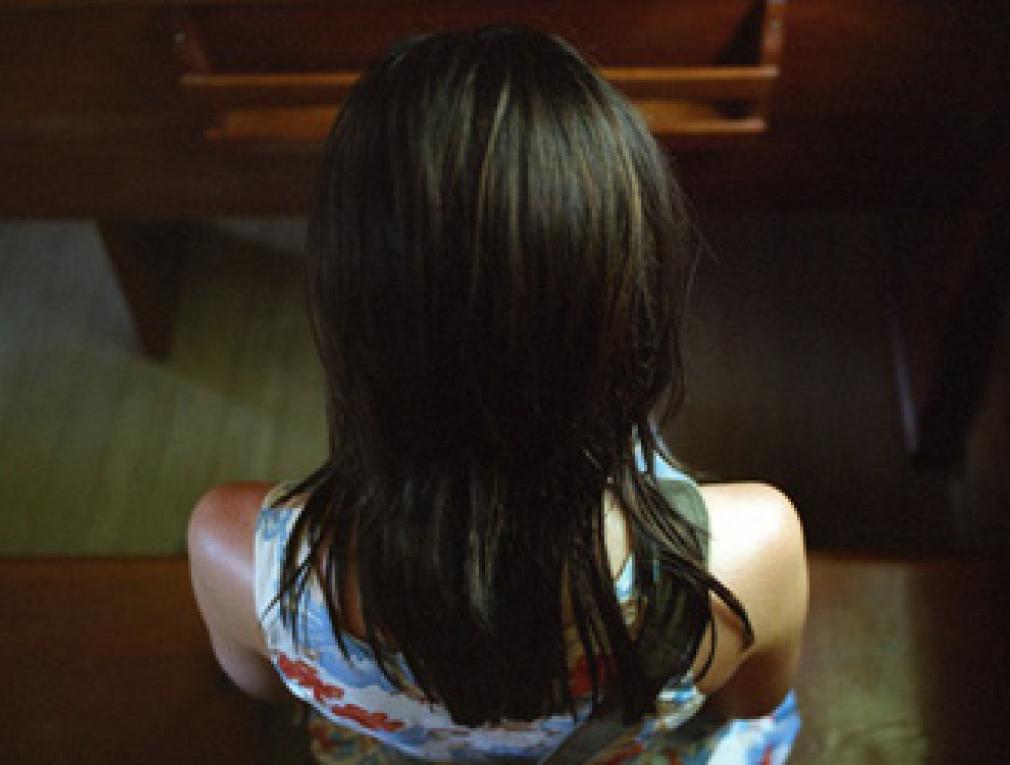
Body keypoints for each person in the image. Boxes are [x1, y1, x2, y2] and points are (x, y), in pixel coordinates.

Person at [188, 26, 807, 765]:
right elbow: (752, 700)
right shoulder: (749, 551)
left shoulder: (239, 549)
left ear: (353, 311)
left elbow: (257, 683)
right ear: (631, 304)